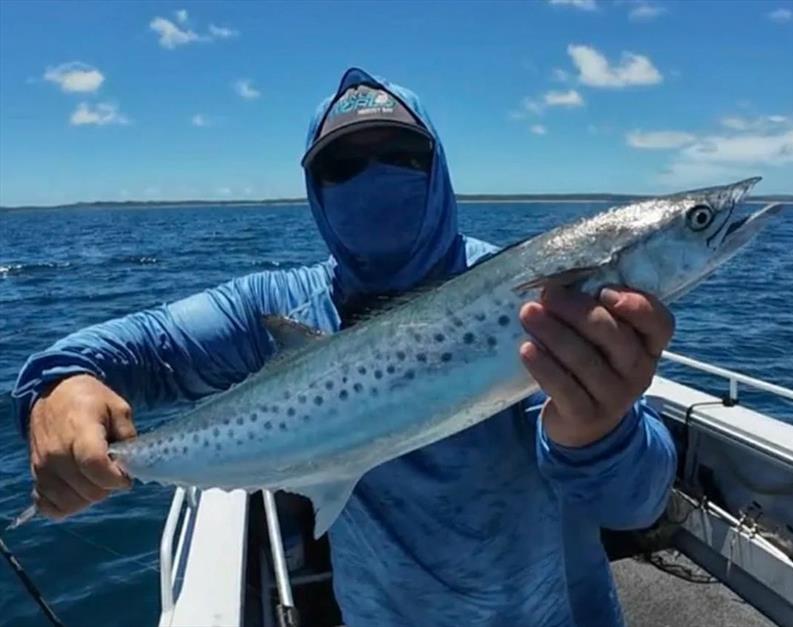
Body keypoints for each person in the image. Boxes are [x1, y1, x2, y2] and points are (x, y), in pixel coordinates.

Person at [13, 68, 677, 626]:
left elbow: (636, 503)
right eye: (343, 165)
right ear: (315, 190)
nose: (374, 177)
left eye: (401, 156)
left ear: (438, 169)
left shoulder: (527, 297)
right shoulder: (279, 306)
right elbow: (129, 349)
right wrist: (59, 386)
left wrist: (600, 432)